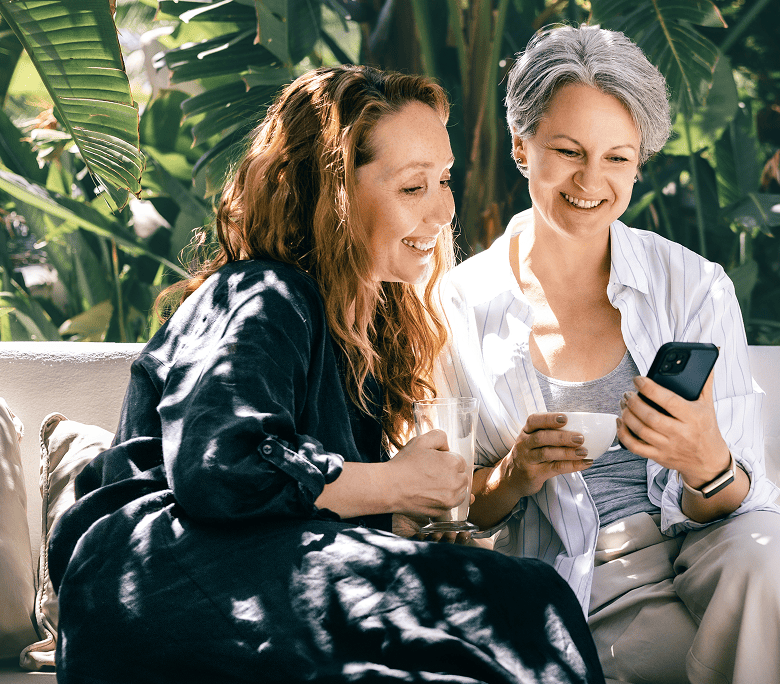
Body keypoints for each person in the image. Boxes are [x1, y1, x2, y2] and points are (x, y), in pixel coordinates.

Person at [47, 65, 606, 684]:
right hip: (158, 580)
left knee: (489, 628)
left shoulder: (358, 338)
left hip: (253, 581)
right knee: (520, 599)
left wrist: (404, 515)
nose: (444, 209)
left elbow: (294, 508)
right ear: (335, 193)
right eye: (413, 188)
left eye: (444, 181)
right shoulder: (262, 294)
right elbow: (220, 467)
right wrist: (391, 485)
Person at [438, 24, 780, 684]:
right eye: (568, 150)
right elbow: (438, 510)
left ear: (640, 163)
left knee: (775, 553)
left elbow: (740, 498)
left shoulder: (694, 284)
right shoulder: (459, 304)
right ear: (522, 146)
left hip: (714, 542)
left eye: (618, 157)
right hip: (590, 577)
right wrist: (512, 477)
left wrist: (707, 462)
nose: (593, 180)